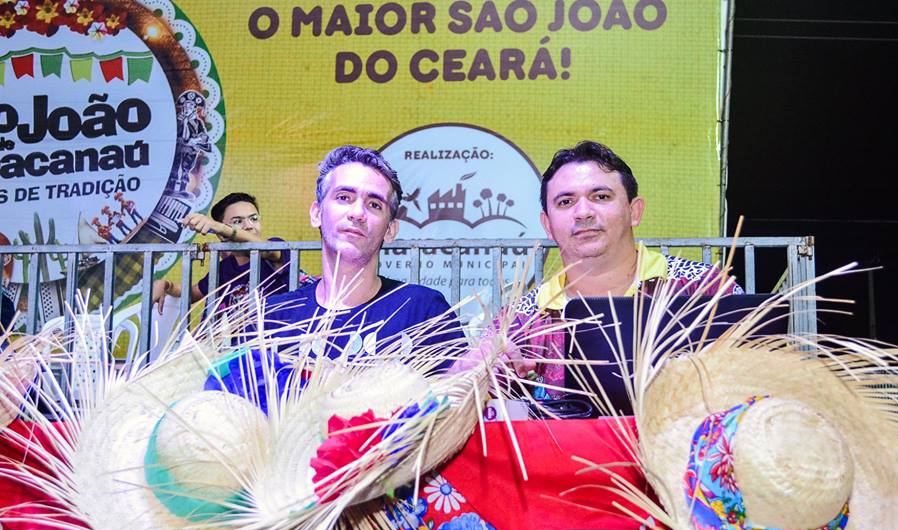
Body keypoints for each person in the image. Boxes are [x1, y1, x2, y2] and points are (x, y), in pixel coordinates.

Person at [506, 140, 743, 395]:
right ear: (547, 225)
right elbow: (477, 397)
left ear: (634, 211)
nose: (583, 212)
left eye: (601, 196)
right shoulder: (520, 322)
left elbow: (760, 379)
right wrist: (484, 374)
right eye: (565, 202)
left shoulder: (704, 289)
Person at [260, 145, 461, 360]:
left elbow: (463, 381)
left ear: (390, 230)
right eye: (344, 197)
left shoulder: (423, 311)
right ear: (317, 213)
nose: (357, 213)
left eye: (374, 204)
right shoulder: (272, 318)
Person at [151, 192, 291, 315]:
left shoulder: (275, 249)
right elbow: (191, 294)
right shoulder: (224, 268)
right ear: (221, 236)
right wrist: (166, 285)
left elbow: (265, 249)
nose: (249, 226)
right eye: (237, 221)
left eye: (254, 219)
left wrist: (219, 227)